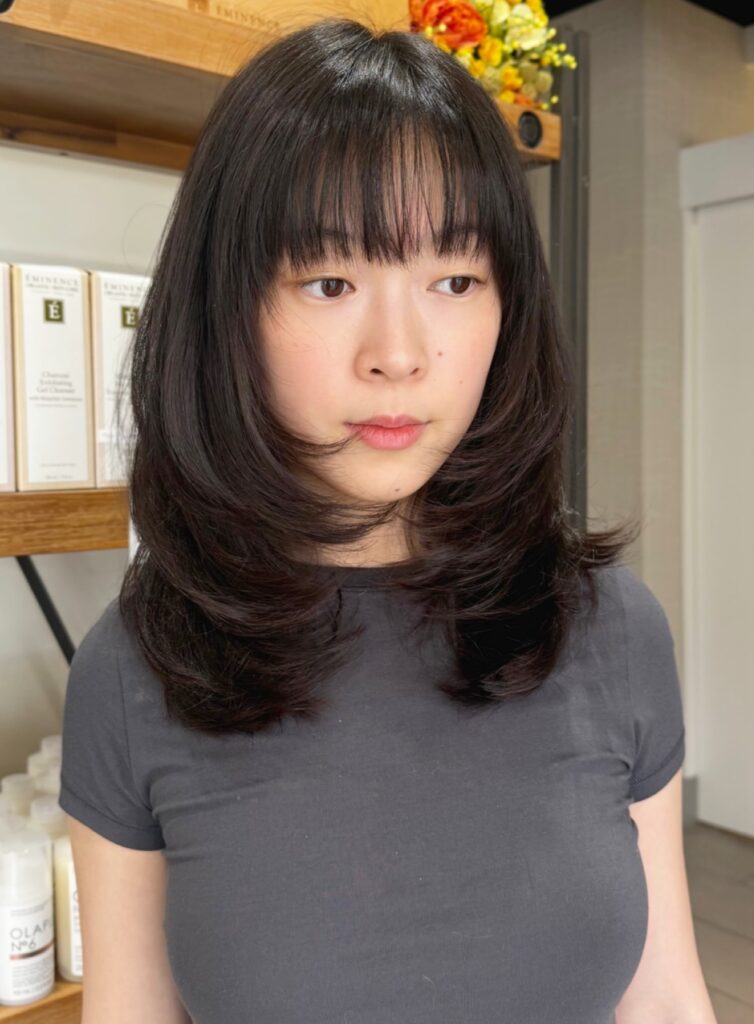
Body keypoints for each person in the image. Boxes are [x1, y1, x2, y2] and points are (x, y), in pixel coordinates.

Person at [58, 16, 716, 1024]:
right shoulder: (137, 667)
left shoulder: (611, 627)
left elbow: (664, 999)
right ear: (227, 311)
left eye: (453, 280)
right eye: (330, 282)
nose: (398, 354)